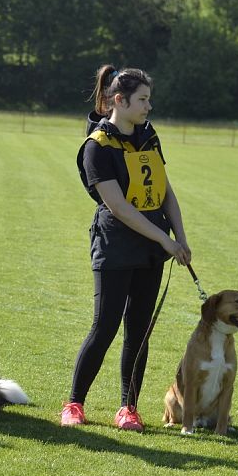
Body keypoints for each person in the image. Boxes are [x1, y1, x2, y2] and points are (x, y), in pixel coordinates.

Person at [60, 65, 192, 431]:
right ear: (119, 100)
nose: (149, 106)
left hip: (151, 247)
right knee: (104, 327)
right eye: (143, 99)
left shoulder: (149, 137)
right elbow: (118, 206)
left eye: (149, 99)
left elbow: (165, 190)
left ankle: (128, 408)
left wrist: (180, 236)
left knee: (138, 330)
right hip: (116, 244)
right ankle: (74, 403)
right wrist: (164, 239)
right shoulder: (96, 147)